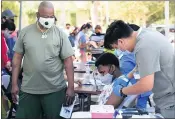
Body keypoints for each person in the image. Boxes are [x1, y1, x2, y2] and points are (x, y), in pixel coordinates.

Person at [11, 1, 75, 119]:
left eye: (52, 17)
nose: (49, 19)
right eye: (45, 16)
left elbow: (68, 62)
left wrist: (71, 87)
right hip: (29, 89)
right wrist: (14, 83)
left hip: (55, 90)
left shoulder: (60, 34)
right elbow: (17, 59)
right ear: (37, 15)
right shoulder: (25, 32)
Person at [104, 20, 175, 118]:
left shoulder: (143, 46)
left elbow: (146, 85)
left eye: (117, 47)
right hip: (166, 98)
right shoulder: (147, 35)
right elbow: (145, 63)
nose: (120, 50)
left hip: (170, 101)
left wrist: (122, 91)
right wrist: (127, 77)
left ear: (121, 41)